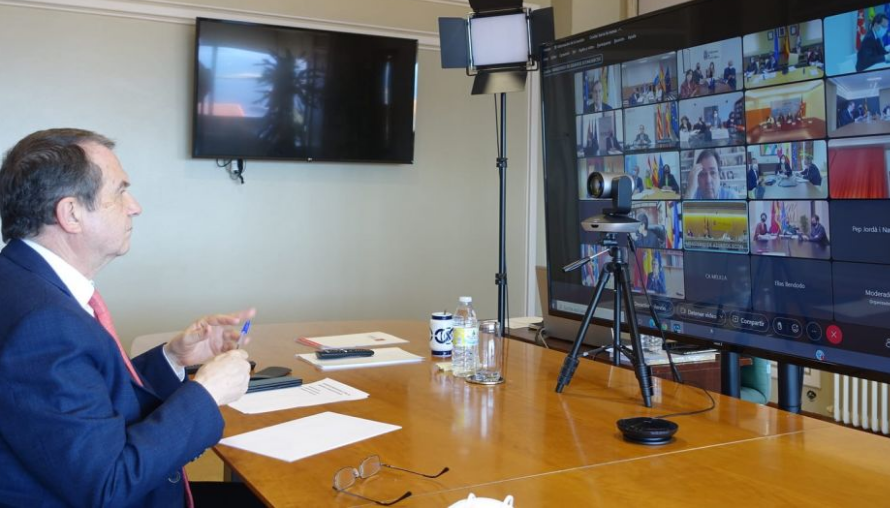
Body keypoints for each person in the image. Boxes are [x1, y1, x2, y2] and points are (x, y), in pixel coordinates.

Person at [0, 129, 263, 506]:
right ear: (71, 213)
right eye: (120, 192)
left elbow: (83, 398)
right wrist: (207, 393)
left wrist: (173, 358)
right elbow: (108, 485)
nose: (134, 206)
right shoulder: (43, 324)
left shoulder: (21, 280)